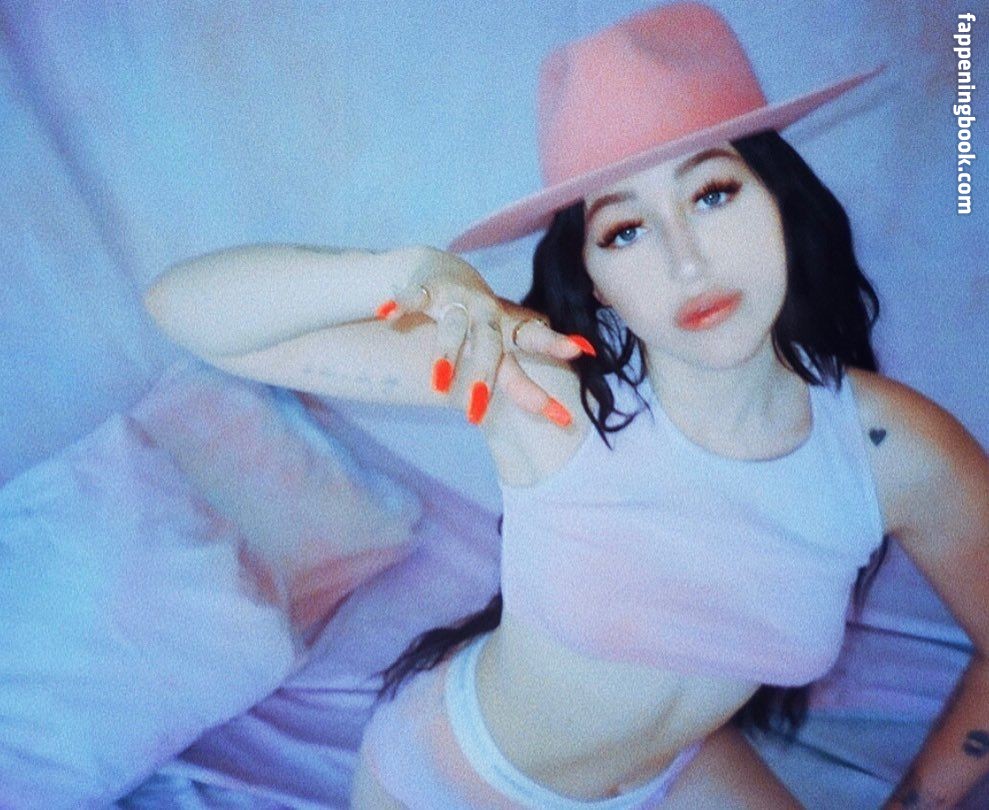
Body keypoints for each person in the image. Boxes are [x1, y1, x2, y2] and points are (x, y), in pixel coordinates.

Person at [144, 3, 989, 807]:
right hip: (457, 784)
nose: (686, 262)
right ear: (596, 279)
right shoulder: (545, 385)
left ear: (780, 201)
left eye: (712, 194)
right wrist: (392, 274)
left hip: (674, 774)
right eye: (625, 231)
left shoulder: (895, 450)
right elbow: (187, 313)